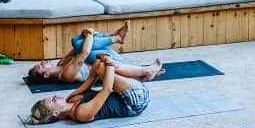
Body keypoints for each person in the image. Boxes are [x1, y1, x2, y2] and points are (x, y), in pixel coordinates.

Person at [26, 52, 158, 125]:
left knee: (100, 65)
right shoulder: (81, 113)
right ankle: (146, 72)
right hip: (134, 103)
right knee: (106, 66)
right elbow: (107, 89)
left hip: (123, 93)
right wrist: (109, 63)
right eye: (53, 101)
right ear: (55, 113)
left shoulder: (71, 98)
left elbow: (90, 80)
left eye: (51, 97)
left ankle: (146, 72)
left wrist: (97, 62)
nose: (54, 97)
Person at [25, 20, 162, 85]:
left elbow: (78, 48)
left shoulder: (61, 63)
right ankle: (116, 38)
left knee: (77, 42)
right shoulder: (66, 74)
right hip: (111, 64)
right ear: (47, 75)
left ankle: (115, 37)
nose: (43, 62)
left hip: (103, 58)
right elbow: (84, 54)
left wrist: (84, 33)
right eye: (42, 66)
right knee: (85, 48)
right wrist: (90, 33)